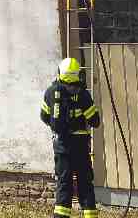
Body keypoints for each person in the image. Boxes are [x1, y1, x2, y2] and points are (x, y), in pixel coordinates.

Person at [40, 57, 100, 218]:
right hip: (80, 146)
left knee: (64, 183)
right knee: (85, 184)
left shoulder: (51, 92)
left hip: (61, 146)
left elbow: (44, 116)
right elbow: (95, 121)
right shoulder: (83, 95)